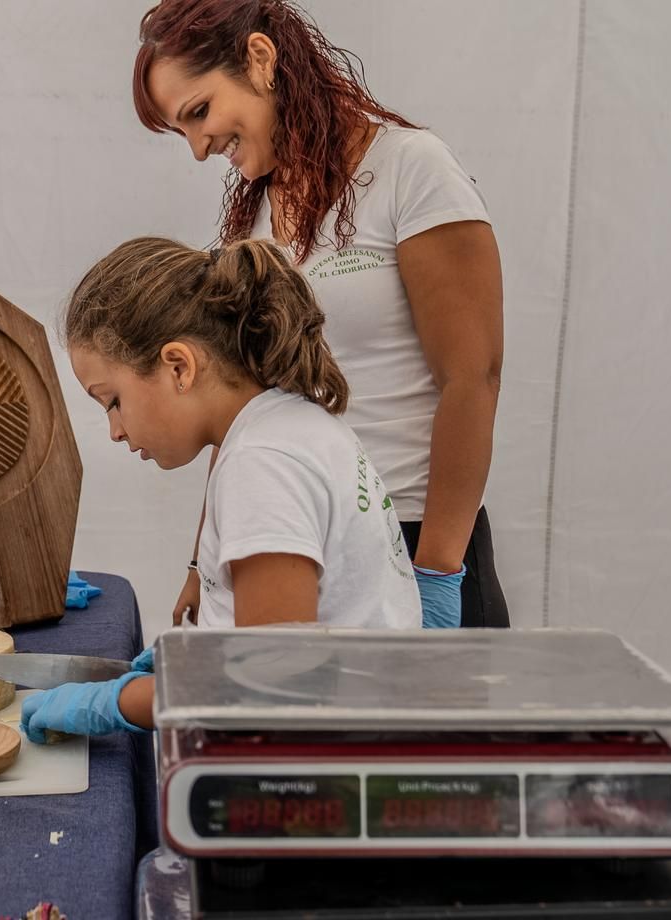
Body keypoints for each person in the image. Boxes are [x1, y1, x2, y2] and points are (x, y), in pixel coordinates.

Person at [133, 0, 508, 630]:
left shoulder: (410, 171)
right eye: (183, 130)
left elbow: (474, 379)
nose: (199, 148)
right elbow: (242, 404)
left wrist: (438, 573)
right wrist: (205, 556)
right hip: (297, 532)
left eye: (199, 112)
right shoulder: (251, 223)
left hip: (413, 536)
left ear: (259, 60)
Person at [21, 236, 420, 742]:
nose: (115, 431)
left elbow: (264, 689)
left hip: (315, 773)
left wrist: (116, 700)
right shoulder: (290, 425)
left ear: (179, 367)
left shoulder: (263, 465)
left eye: (113, 401)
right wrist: (204, 651)